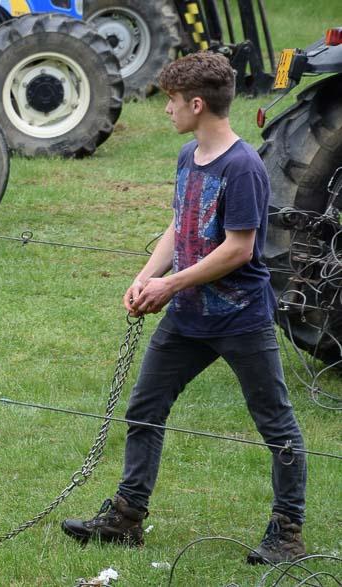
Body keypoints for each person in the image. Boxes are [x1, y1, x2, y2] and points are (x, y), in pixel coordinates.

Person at [60, 52, 307, 565]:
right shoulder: (186, 158)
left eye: (172, 101)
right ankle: (127, 518)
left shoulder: (243, 168)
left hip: (241, 318)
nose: (166, 110)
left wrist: (169, 285)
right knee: (146, 407)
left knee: (275, 423)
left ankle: (287, 533)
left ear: (197, 104)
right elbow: (179, 226)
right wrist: (147, 276)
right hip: (187, 316)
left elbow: (239, 248)